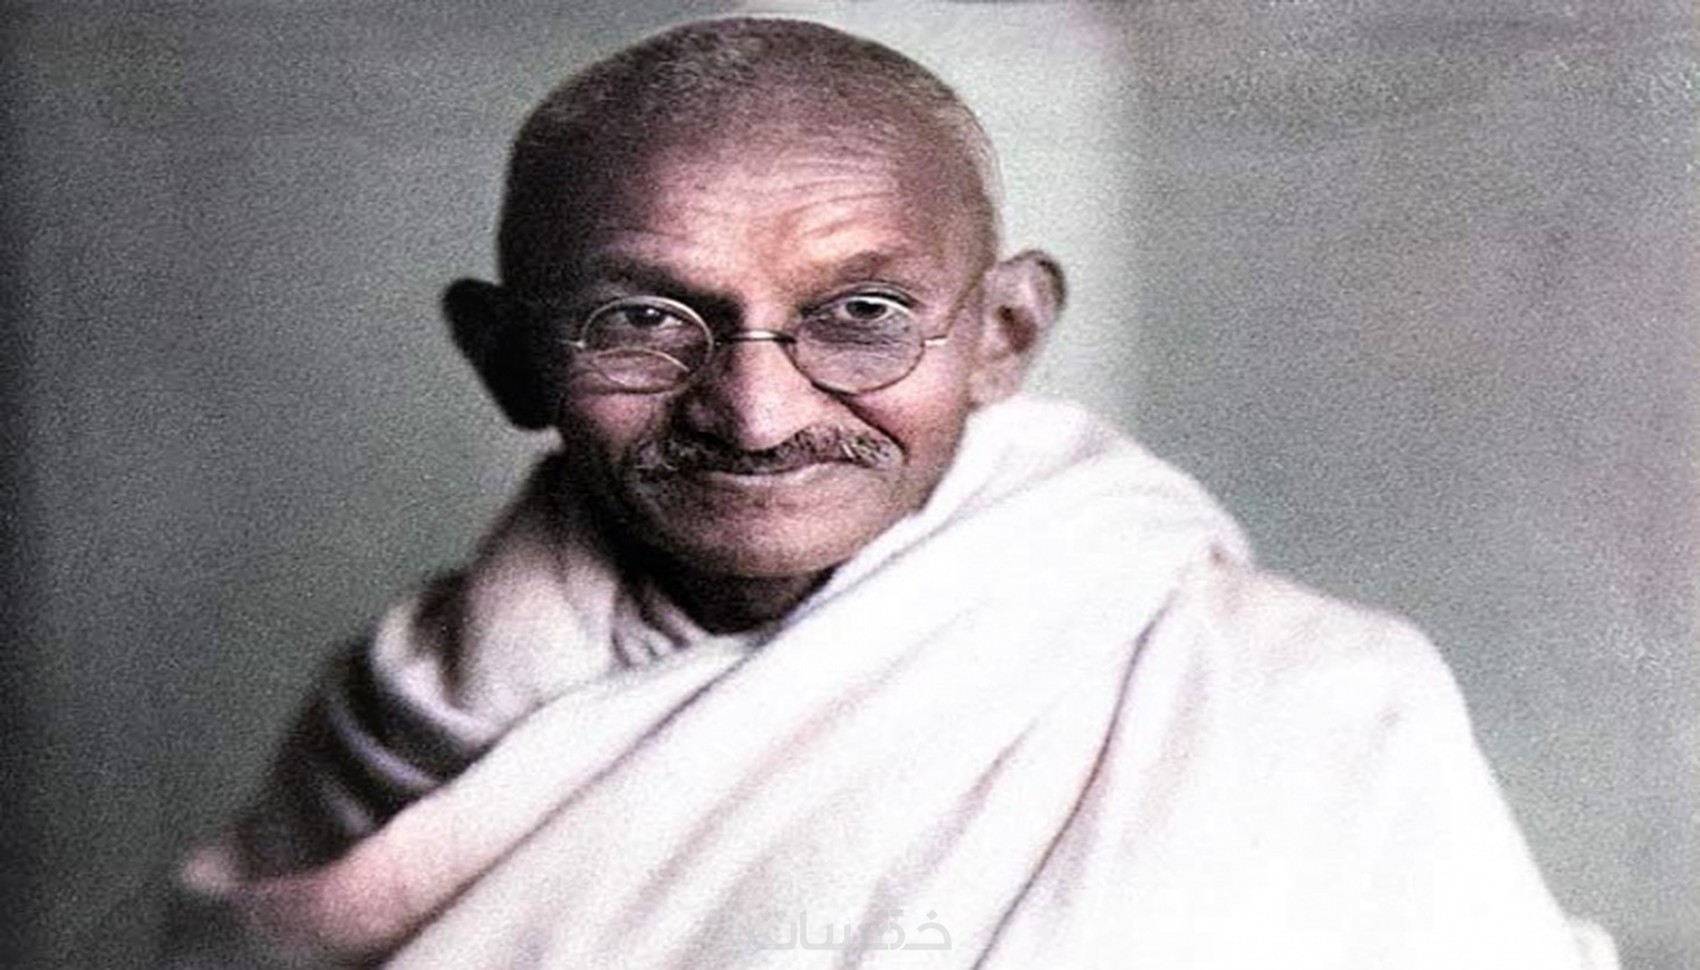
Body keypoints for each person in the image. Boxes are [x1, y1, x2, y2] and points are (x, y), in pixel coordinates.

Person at [170, 16, 1613, 969]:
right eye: (641, 320)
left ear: (1003, 337)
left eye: (860, 314)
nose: (755, 412)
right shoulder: (396, 722)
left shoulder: (1301, 701)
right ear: (506, 357)